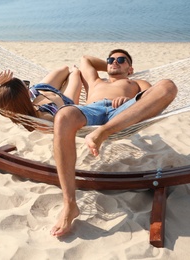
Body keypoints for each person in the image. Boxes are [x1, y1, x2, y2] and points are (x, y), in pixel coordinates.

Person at [50, 49, 178, 237]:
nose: (114, 62)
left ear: (131, 68)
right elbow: (86, 59)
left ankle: (103, 132)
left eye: (121, 60)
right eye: (111, 59)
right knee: (63, 116)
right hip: (92, 110)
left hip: (126, 110)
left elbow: (152, 97)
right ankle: (70, 205)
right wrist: (113, 66)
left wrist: (129, 100)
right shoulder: (95, 81)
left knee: (168, 85)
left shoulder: (135, 82)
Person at [0, 66, 82, 131]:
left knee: (64, 69)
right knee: (75, 73)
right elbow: (64, 121)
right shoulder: (44, 117)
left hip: (40, 90)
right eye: (26, 85)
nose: (27, 85)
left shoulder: (6, 103)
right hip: (64, 102)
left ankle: (69, 75)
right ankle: (73, 74)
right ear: (25, 94)